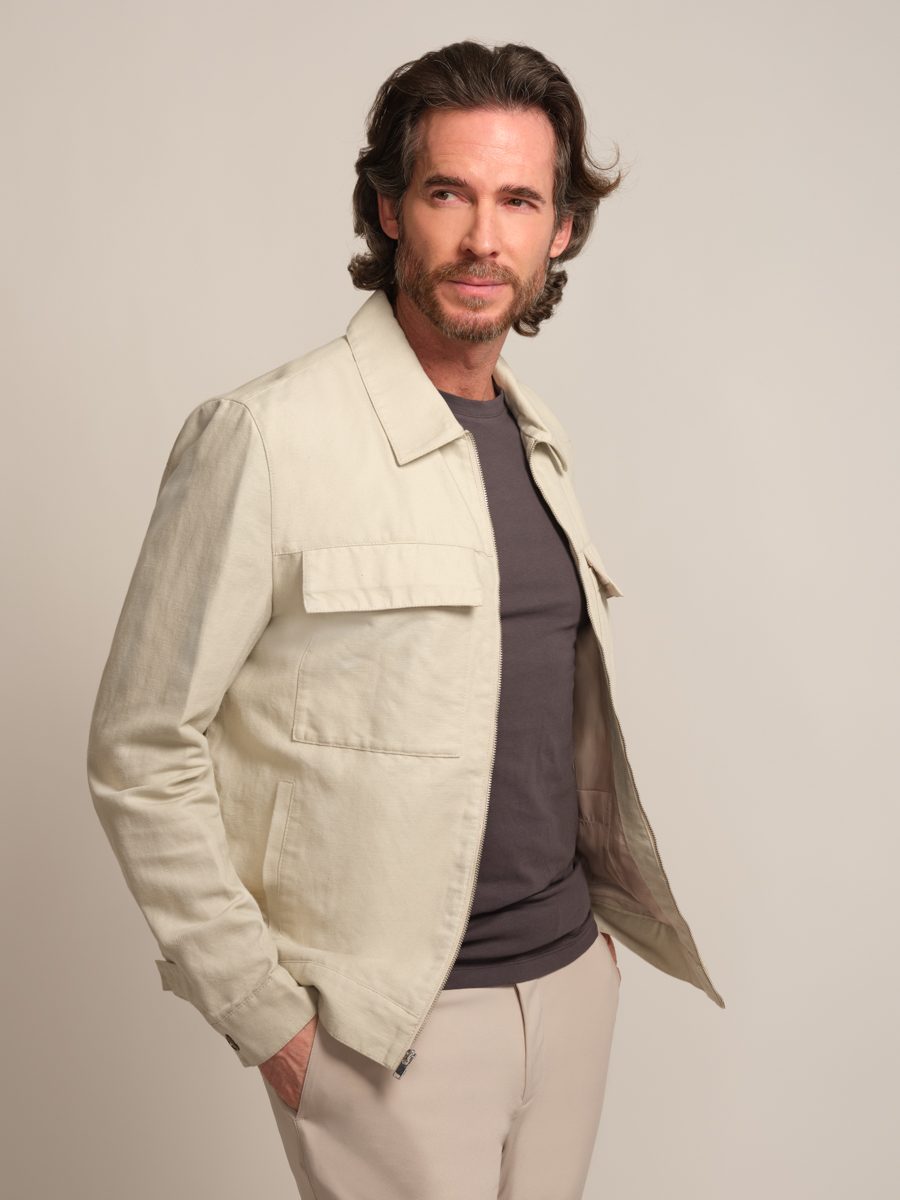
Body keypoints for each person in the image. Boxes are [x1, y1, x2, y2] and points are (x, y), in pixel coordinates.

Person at [87, 39, 724, 1200]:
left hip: (568, 989)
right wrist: (266, 1016)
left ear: (561, 230)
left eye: (519, 200)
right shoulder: (267, 436)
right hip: (389, 1033)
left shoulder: (536, 441)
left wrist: (591, 952)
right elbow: (141, 748)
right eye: (447, 193)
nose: (484, 237)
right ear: (389, 210)